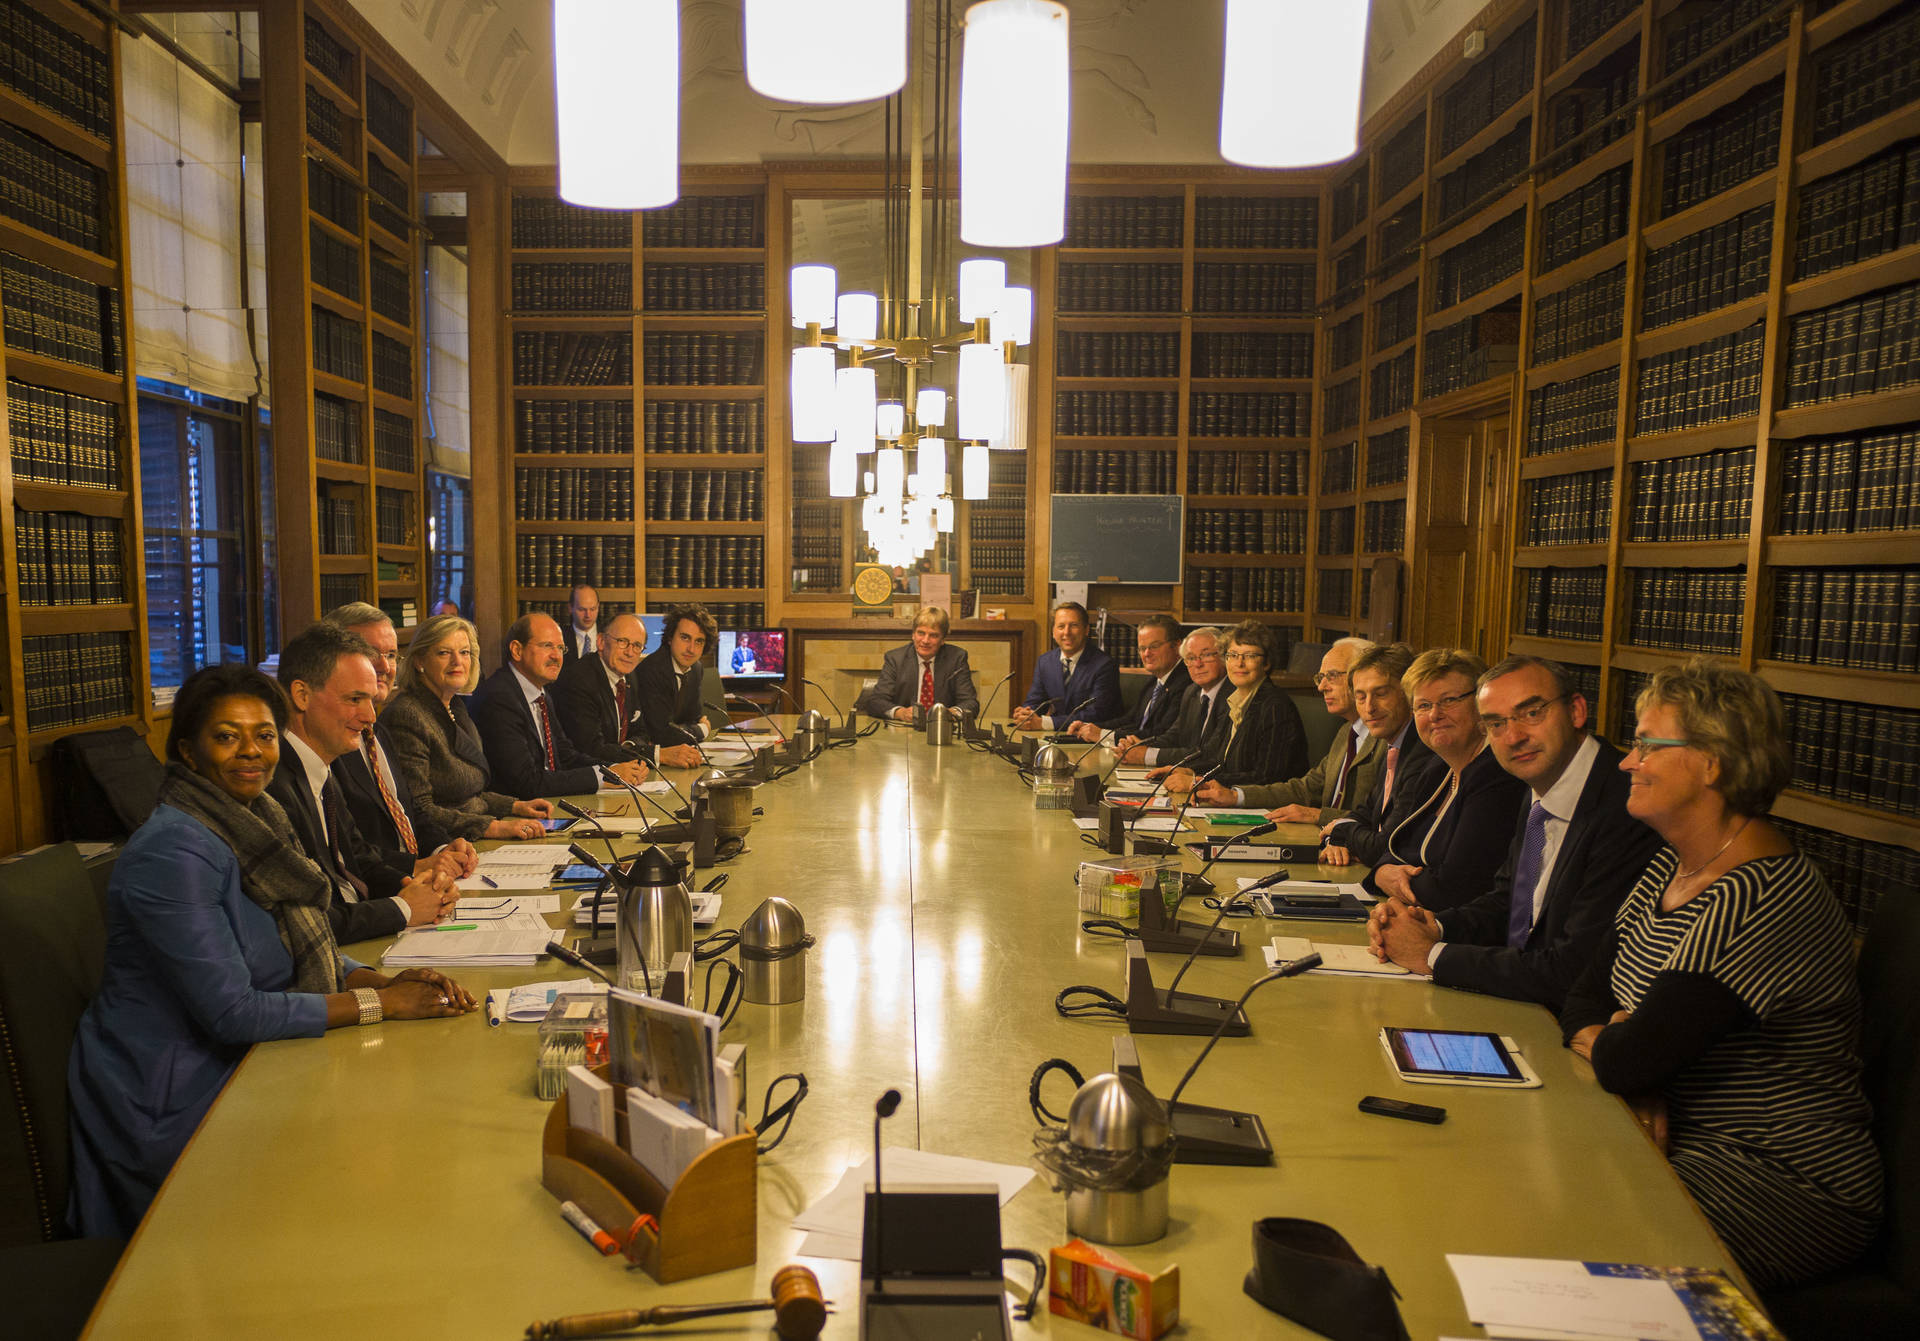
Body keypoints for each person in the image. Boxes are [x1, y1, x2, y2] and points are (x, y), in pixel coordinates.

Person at [66, 664, 476, 1239]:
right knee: (382, 1163)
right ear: (186, 750)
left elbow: (294, 944)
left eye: (263, 735)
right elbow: (232, 1012)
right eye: (226, 736)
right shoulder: (172, 853)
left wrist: (381, 981)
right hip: (178, 1097)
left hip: (250, 1065)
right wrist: (381, 1006)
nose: (250, 752)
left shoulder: (256, 819)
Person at [1560, 658, 1881, 1289]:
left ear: (1713, 763)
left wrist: (1629, 1059)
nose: (1627, 762)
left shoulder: (1760, 895)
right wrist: (1626, 1056)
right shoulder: (1671, 865)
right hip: (1670, 1136)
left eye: (1648, 745)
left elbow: (1631, 1058)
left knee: (1554, 1226)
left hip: (1778, 1180)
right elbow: (1582, 998)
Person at [1369, 656, 1660, 1007]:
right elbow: (1508, 903)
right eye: (1496, 723)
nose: (1514, 737)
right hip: (1519, 999)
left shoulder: (1626, 806)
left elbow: (1574, 969)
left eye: (1532, 713)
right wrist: (1432, 926)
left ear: (1576, 711)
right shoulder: (1538, 783)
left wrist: (1431, 954)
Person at [267, 623, 463, 946]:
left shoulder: (321, 767)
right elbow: (308, 920)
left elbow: (360, 861)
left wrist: (420, 888)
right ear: (302, 695)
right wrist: (403, 908)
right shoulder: (273, 787)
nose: (370, 716)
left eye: (370, 700)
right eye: (355, 699)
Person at [1349, 648, 1527, 911]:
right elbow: (1394, 847)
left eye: (1449, 700)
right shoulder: (1437, 768)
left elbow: (1454, 888)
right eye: (1423, 705)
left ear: (1481, 705)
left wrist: (1385, 877)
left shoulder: (1496, 775)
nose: (1435, 715)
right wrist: (1381, 872)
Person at [322, 602, 474, 874]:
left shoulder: (376, 730)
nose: (384, 666)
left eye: (391, 655)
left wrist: (443, 848)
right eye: (370, 653)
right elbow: (350, 850)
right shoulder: (331, 738)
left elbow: (410, 810)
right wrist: (416, 867)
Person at [378, 613, 554, 842]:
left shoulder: (455, 706)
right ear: (420, 661)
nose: (457, 661)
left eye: (464, 652)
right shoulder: (407, 715)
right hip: (446, 845)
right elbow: (418, 809)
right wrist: (493, 828)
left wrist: (516, 806)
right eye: (444, 653)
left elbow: (470, 795)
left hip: (473, 837)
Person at [1194, 636, 1383, 821]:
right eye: (1321, 678)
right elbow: (1306, 789)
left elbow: (1381, 820)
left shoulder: (1384, 740)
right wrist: (1235, 796)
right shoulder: (1346, 732)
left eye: (1332, 676)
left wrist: (1318, 815)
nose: (1322, 687)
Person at [472, 613, 652, 799]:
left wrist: (613, 770)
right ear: (517, 650)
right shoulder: (499, 698)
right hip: (515, 810)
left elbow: (565, 756)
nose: (556, 656)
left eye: (560, 648)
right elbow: (527, 781)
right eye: (547, 646)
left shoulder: (542, 694)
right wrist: (603, 777)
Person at [1319, 642, 1444, 868]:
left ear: (1409, 694)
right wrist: (1337, 837)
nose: (1369, 707)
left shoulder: (1423, 753)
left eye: (1381, 694)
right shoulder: (1392, 744)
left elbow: (1384, 847)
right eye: (1361, 697)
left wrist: (1340, 829)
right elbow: (1363, 814)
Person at [1159, 621, 1307, 791]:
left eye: (1250, 656)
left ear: (1266, 663)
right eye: (1233, 655)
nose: (1239, 663)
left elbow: (1267, 777)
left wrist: (1197, 782)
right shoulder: (1235, 701)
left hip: (1266, 804)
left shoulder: (1275, 706)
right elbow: (1217, 759)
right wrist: (1186, 770)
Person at [553, 611, 694, 766]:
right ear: (601, 642)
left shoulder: (630, 675)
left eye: (637, 646)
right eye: (622, 641)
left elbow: (641, 731)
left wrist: (628, 748)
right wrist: (658, 755)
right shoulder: (579, 680)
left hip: (623, 771)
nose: (630, 652)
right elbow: (591, 749)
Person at [1068, 615, 1190, 747]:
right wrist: (1089, 727)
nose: (1146, 654)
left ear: (1177, 646)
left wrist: (1102, 734)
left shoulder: (1186, 683)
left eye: (1154, 646)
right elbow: (1130, 720)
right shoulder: (1154, 682)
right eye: (1142, 648)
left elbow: (1161, 733)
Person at [855, 606, 981, 722]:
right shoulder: (895, 659)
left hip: (943, 729)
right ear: (913, 635)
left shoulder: (956, 658)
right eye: (921, 633)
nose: (925, 641)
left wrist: (951, 713)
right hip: (904, 731)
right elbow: (876, 702)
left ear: (943, 639)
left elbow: (971, 703)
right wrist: (900, 713)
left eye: (933, 635)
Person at [1012, 602, 1121, 731]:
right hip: (1056, 736)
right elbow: (1035, 702)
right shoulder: (1045, 662)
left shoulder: (1104, 665)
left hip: (1093, 738)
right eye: (1061, 626)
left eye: (1074, 625)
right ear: (1053, 632)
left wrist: (1045, 723)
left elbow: (1096, 713)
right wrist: (1026, 715)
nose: (1067, 632)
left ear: (1086, 630)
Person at [633, 603, 722, 749]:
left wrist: (690, 728)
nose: (691, 649)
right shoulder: (651, 670)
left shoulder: (696, 668)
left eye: (699, 641)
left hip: (681, 750)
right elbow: (661, 735)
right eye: (685, 638)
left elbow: (693, 718)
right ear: (670, 637)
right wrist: (703, 730)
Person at [562, 585, 600, 662]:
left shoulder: (608, 636)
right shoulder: (560, 637)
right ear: (570, 608)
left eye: (592, 609)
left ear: (598, 607)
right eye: (581, 609)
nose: (588, 615)